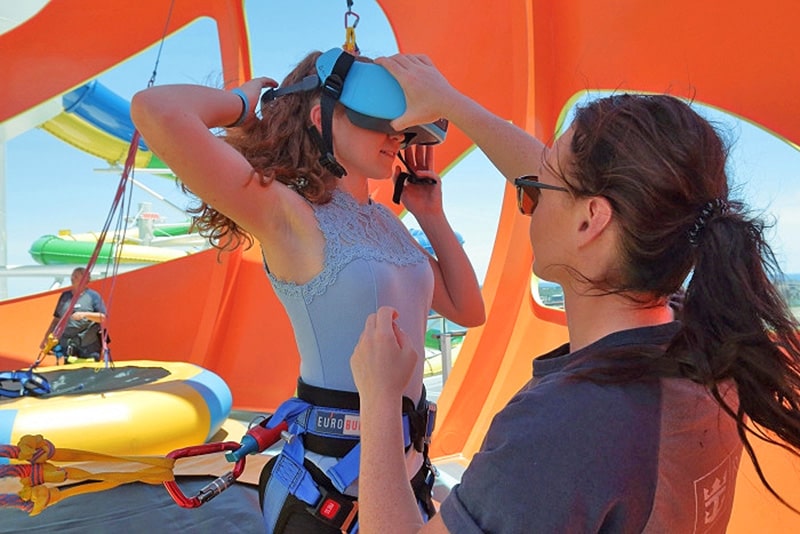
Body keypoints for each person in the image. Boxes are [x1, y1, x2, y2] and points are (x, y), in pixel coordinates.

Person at [350, 53, 800, 533]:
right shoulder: (705, 343)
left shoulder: (565, 428)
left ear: (591, 221)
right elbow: (588, 191)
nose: (528, 199)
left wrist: (380, 399)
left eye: (537, 189)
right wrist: (452, 105)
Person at [131, 48, 484, 533]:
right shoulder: (290, 216)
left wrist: (429, 213)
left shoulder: (388, 224)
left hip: (408, 479)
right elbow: (157, 111)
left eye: (399, 126)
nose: (396, 136)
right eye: (377, 120)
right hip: (330, 492)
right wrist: (239, 104)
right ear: (321, 117)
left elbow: (469, 309)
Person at [41, 266, 108, 362]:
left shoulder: (93, 296)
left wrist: (84, 314)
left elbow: (103, 317)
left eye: (76, 276)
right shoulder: (65, 296)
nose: (72, 279)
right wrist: (46, 339)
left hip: (88, 345)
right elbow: (56, 320)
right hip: (68, 345)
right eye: (72, 276)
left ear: (85, 279)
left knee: (89, 373)